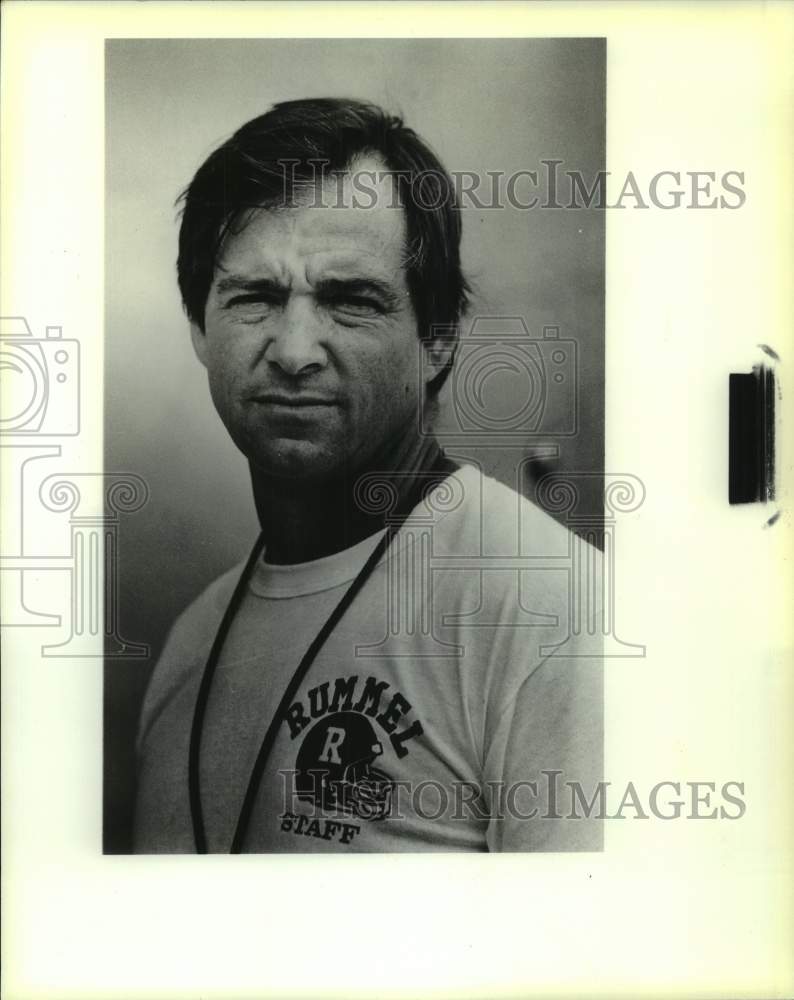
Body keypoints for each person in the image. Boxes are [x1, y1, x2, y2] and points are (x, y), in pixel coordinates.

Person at [133, 97, 603, 854]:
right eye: (255, 297)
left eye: (350, 301)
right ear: (199, 326)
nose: (293, 351)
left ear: (438, 339)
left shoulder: (551, 613)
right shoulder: (192, 641)